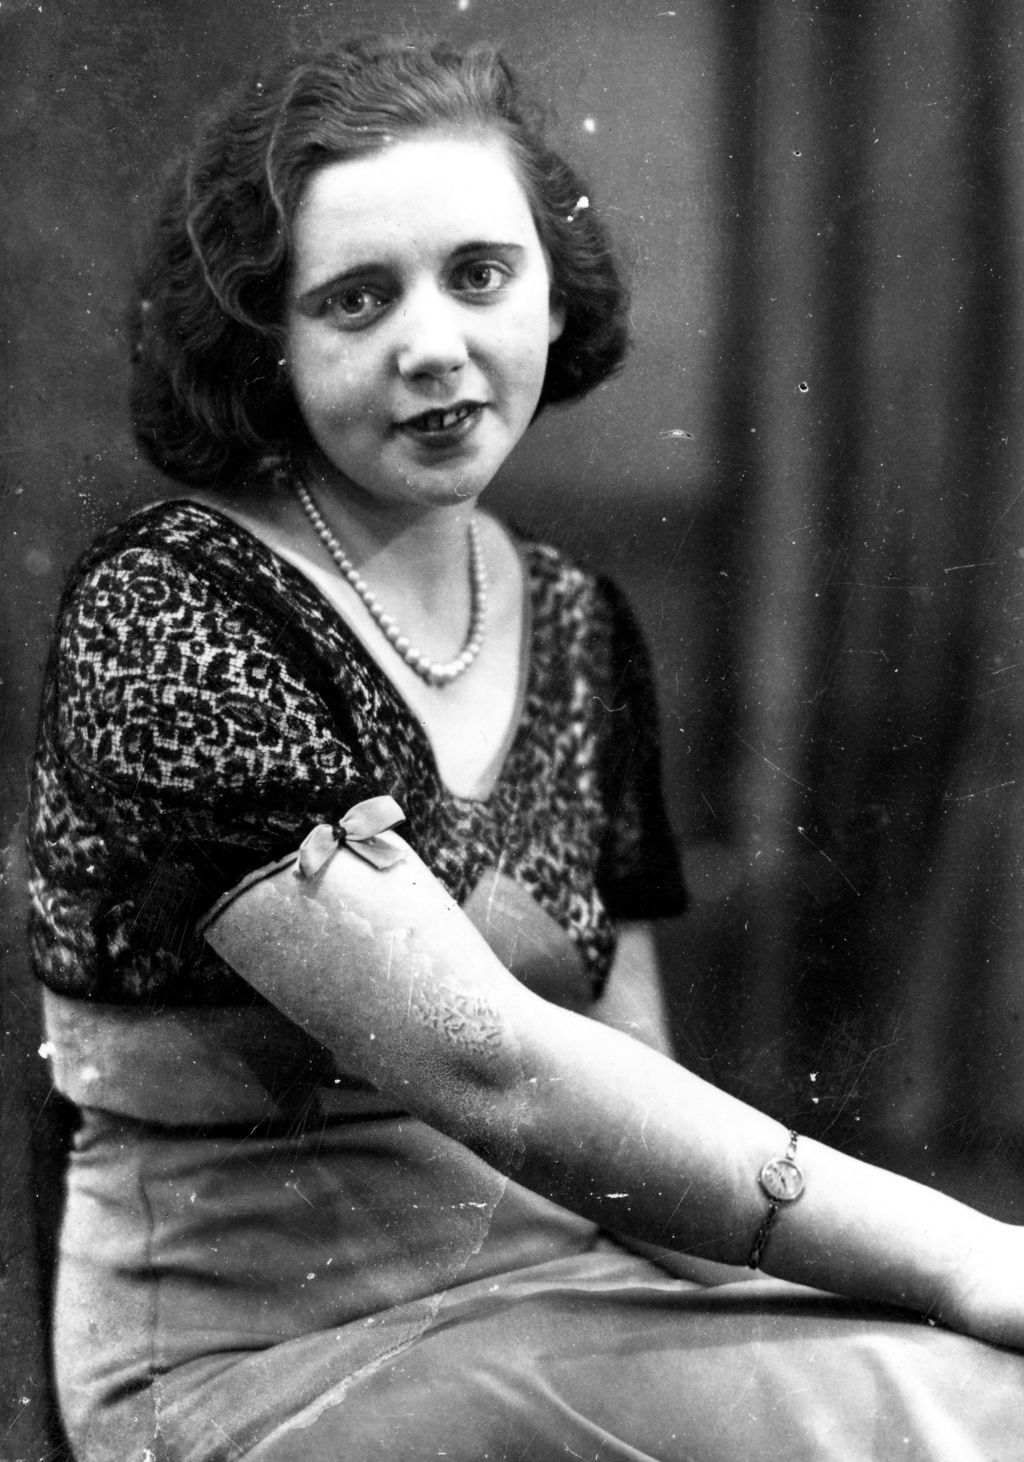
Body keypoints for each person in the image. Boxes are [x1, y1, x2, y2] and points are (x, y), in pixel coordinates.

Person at [26, 33, 1024, 1462]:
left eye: (480, 275)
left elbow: (635, 1098)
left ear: (554, 294)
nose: (433, 343)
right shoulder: (171, 611)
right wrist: (969, 1257)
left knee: (951, 1380)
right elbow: (488, 1065)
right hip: (266, 1367)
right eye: (357, 299)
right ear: (266, 343)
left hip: (565, 1291)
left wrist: (897, 1307)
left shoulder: (571, 618)